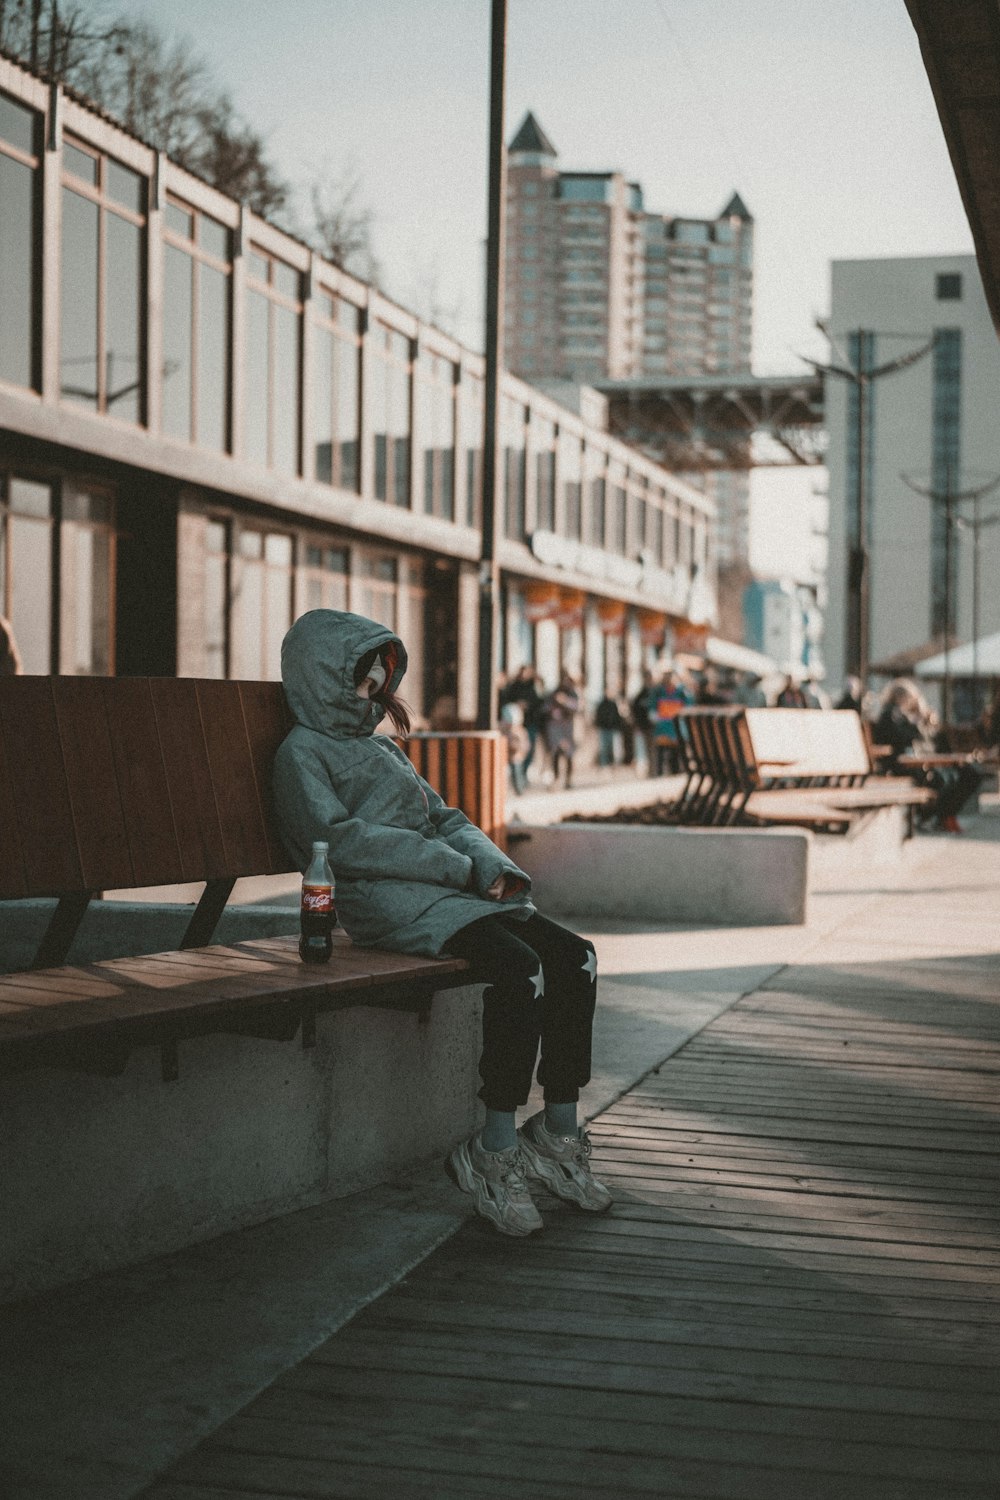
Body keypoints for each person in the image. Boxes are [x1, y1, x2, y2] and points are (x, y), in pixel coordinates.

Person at [272, 610, 611, 1238]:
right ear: (323, 679)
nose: (372, 694)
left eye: (378, 682)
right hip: (387, 904)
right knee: (521, 971)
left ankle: (559, 1133)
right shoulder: (301, 754)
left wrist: (491, 866)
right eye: (360, 681)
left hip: (448, 891)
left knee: (575, 957)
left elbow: (446, 817)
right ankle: (494, 1148)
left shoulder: (381, 748)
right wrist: (451, 869)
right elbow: (338, 842)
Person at [874, 678, 982, 832]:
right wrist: (918, 723)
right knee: (942, 779)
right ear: (902, 697)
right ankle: (933, 817)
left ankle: (937, 817)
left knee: (948, 777)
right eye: (910, 699)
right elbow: (907, 738)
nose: (911, 703)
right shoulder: (892, 714)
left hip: (904, 761)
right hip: (899, 764)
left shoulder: (894, 713)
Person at [649, 667, 693, 775]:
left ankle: (675, 771)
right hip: (663, 729)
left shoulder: (682, 692)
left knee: (676, 755)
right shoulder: (658, 692)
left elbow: (689, 706)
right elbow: (653, 709)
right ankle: (660, 773)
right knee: (661, 753)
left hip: (676, 729)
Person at [543, 672, 581, 788]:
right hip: (555, 728)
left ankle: (568, 780)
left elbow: (577, 707)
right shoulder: (554, 693)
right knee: (556, 753)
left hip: (568, 727)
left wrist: (565, 701)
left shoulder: (573, 693)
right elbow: (545, 707)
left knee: (569, 754)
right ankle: (556, 778)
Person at [594, 692, 624, 768]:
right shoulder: (602, 705)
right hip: (605, 729)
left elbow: (618, 716)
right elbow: (598, 717)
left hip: (613, 729)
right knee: (604, 749)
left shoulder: (614, 704)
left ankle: (615, 764)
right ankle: (605, 765)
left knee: (615, 749)